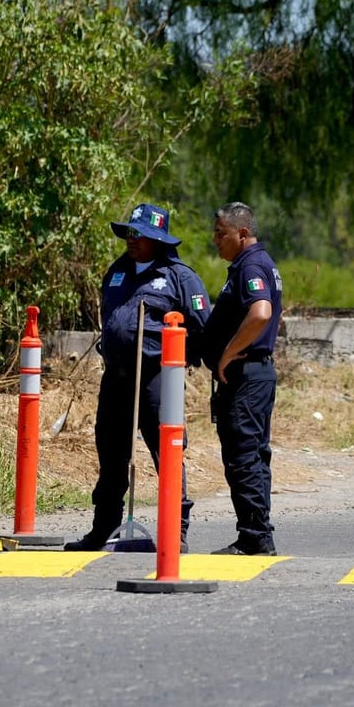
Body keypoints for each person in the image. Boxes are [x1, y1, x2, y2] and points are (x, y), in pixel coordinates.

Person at [64, 204, 212, 552]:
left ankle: (176, 532)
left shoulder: (178, 276)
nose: (131, 239)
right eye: (129, 232)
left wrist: (184, 359)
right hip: (116, 376)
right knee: (111, 453)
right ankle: (104, 528)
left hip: (158, 377)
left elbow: (203, 326)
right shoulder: (117, 271)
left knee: (168, 453)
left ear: (157, 239)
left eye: (139, 234)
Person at [201, 202, 283, 556]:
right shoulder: (250, 265)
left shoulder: (251, 265)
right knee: (252, 455)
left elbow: (260, 313)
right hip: (253, 375)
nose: (215, 240)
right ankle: (256, 533)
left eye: (222, 234)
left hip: (248, 375)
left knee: (244, 456)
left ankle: (254, 536)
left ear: (243, 234)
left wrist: (229, 352)